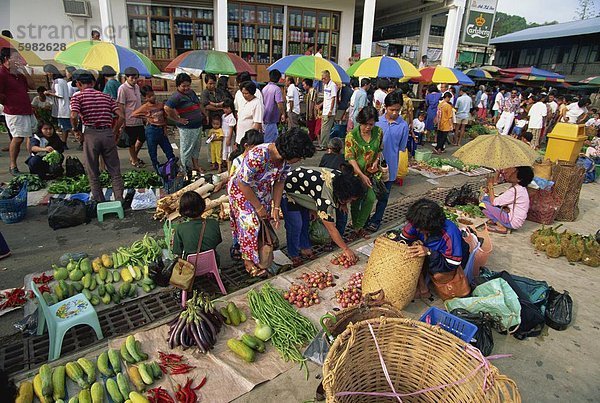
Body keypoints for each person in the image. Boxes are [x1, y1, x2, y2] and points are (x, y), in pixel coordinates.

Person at [228, 128, 315, 277]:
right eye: (299, 157)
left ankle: (259, 258)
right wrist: (258, 207)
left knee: (263, 224)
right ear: (291, 152)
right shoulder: (258, 155)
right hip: (242, 192)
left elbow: (280, 182)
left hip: (262, 190)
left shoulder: (284, 161)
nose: (299, 161)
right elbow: (242, 183)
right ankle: (248, 261)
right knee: (250, 224)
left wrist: (275, 207)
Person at [282, 164, 365, 267]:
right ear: (344, 196)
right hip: (289, 189)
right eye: (350, 200)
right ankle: (293, 253)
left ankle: (305, 248)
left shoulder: (341, 179)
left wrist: (343, 203)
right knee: (295, 224)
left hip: (305, 188)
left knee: (305, 221)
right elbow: (331, 229)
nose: (350, 202)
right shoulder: (325, 199)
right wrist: (346, 249)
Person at [69, 69, 125, 202]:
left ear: (78, 84)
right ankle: (119, 199)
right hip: (107, 133)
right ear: (93, 83)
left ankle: (99, 201)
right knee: (114, 170)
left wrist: (75, 130)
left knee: (93, 171)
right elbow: (121, 115)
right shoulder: (106, 96)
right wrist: (115, 130)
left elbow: (73, 115)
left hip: (91, 133)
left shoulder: (78, 97)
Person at [400, 198, 470, 299]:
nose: (418, 230)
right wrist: (414, 244)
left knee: (439, 276)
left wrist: (429, 252)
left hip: (449, 261)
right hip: (430, 255)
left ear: (431, 227)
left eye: (421, 228)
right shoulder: (416, 223)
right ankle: (423, 288)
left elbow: (452, 264)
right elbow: (403, 239)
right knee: (410, 256)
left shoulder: (449, 232)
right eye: (416, 227)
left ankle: (424, 287)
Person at [365, 92, 409, 232]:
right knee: (368, 197)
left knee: (383, 198)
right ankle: (364, 220)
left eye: (397, 110)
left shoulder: (403, 125)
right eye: (392, 109)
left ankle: (376, 220)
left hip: (389, 167)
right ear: (386, 107)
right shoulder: (376, 122)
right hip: (371, 166)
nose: (395, 113)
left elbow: (402, 147)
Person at [345, 105, 382, 239]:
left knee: (371, 198)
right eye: (365, 124)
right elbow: (350, 158)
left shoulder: (378, 132)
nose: (368, 127)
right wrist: (361, 175)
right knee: (356, 201)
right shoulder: (352, 136)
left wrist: (376, 162)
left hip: (371, 173)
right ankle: (357, 227)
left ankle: (359, 226)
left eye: (371, 124)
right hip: (356, 175)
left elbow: (379, 150)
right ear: (360, 121)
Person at [0, 47, 36, 176]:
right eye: (16, 58)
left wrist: (24, 71)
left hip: (26, 109)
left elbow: (33, 86)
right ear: (6, 59)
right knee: (18, 138)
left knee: (31, 135)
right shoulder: (2, 73)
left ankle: (33, 160)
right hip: (14, 111)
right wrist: (7, 102)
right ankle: (13, 165)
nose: (18, 60)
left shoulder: (18, 74)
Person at [164, 73, 205, 173]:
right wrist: (177, 119)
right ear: (178, 86)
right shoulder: (176, 96)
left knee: (196, 147)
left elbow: (198, 104)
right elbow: (167, 108)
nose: (186, 88)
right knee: (186, 148)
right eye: (184, 86)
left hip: (198, 125)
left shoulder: (191, 92)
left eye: (188, 85)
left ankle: (196, 165)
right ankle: (185, 169)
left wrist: (204, 114)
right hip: (187, 127)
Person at [131, 85, 175, 172]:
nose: (152, 97)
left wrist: (165, 128)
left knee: (168, 150)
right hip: (151, 130)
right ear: (145, 98)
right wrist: (146, 116)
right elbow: (134, 114)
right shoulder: (145, 107)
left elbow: (165, 117)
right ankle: (157, 168)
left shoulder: (160, 105)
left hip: (161, 129)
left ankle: (173, 165)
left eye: (153, 95)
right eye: (149, 96)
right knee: (152, 151)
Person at [481, 166, 534, 234]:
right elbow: (501, 200)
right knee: (486, 199)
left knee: (483, 204)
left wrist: (490, 185)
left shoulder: (515, 190)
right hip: (514, 219)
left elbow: (494, 202)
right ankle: (497, 220)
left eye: (513, 173)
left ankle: (500, 226)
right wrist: (489, 191)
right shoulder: (520, 188)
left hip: (512, 221)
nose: (509, 174)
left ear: (519, 179)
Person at [172, 191, 222, 261]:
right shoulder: (214, 223)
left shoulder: (180, 228)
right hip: (212, 262)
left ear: (183, 210)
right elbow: (218, 241)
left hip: (191, 267)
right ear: (202, 205)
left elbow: (177, 252)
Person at [117, 66, 146, 168]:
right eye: (132, 78)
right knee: (131, 142)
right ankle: (134, 160)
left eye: (136, 78)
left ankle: (134, 156)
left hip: (139, 118)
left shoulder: (137, 87)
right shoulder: (122, 88)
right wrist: (122, 119)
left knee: (142, 138)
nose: (134, 80)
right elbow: (120, 105)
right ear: (126, 77)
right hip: (129, 118)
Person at [43, 64, 72, 148]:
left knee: (66, 127)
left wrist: (48, 93)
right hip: (62, 107)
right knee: (65, 127)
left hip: (62, 108)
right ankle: (63, 142)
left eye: (47, 73)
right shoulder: (61, 81)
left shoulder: (57, 82)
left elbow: (59, 94)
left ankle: (80, 140)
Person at [261, 69, 285, 142]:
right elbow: (279, 103)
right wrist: (283, 114)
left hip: (264, 116)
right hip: (271, 118)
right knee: (270, 140)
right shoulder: (276, 89)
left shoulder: (264, 88)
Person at [318, 70, 338, 150]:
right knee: (323, 128)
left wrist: (330, 110)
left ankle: (323, 145)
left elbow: (333, 98)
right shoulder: (325, 85)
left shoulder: (332, 85)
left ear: (328, 77)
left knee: (325, 128)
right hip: (325, 109)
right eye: (322, 78)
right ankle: (323, 144)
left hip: (329, 111)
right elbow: (326, 98)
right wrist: (321, 105)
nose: (323, 80)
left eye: (324, 78)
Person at [221, 99, 236, 172]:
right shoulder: (223, 116)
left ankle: (230, 169)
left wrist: (229, 139)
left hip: (228, 136)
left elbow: (231, 129)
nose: (225, 110)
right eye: (224, 108)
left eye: (227, 108)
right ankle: (228, 168)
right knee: (225, 152)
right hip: (224, 136)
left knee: (229, 152)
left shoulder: (232, 117)